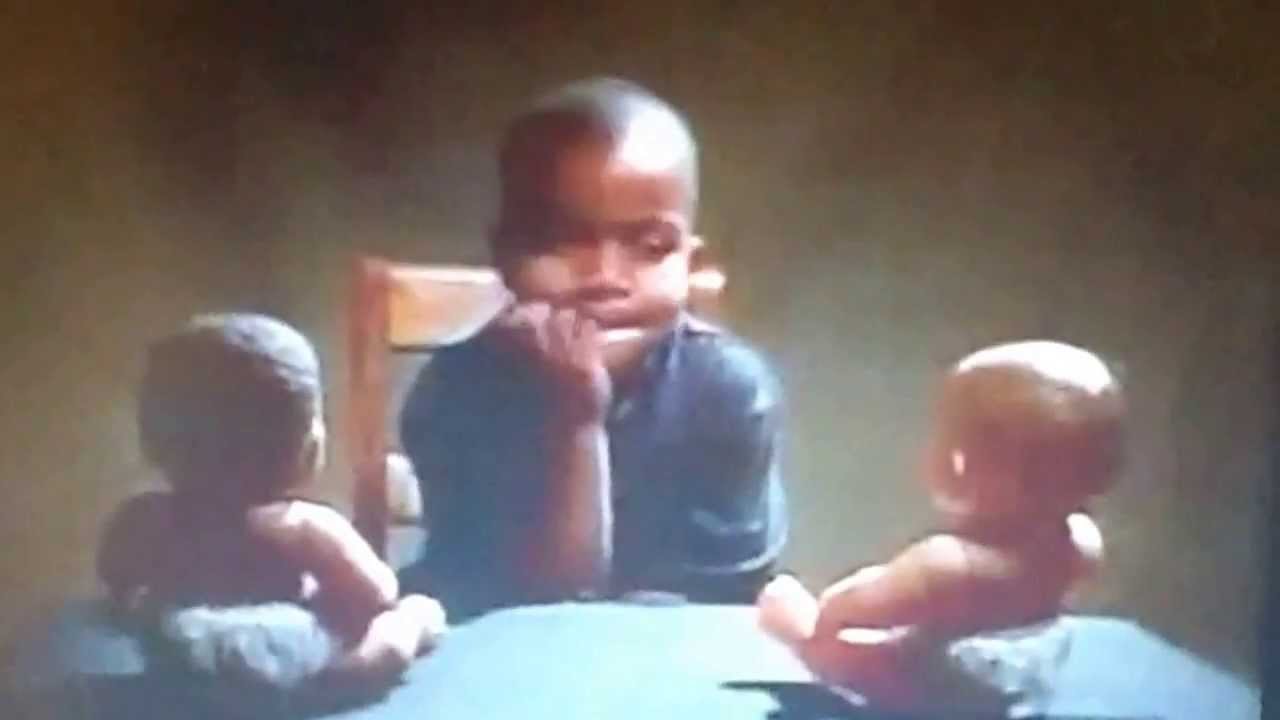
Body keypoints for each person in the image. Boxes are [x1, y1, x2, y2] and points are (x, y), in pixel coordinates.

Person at [398, 77, 787, 618]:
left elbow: (717, 609)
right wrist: (575, 420)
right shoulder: (455, 390)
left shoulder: (730, 393)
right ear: (505, 255)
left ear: (690, 262)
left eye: (650, 247)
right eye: (561, 242)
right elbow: (531, 605)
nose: (605, 277)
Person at [758, 340, 1124, 710]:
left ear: (957, 462)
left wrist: (819, 611)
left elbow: (844, 610)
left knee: (813, 630)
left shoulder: (946, 564)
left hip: (942, 693)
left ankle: (792, 632)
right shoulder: (1082, 539)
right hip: (1021, 679)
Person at [98, 313, 446, 694]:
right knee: (396, 632)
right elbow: (377, 595)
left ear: (152, 442)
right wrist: (402, 615)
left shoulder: (144, 518)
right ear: (309, 451)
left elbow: (116, 581)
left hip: (184, 651)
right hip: (297, 660)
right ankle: (412, 628)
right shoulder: (300, 525)